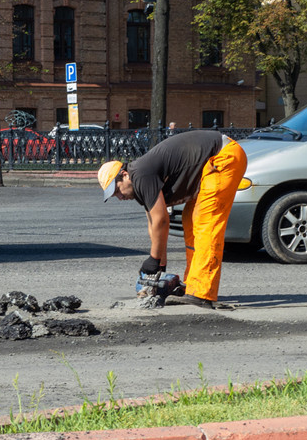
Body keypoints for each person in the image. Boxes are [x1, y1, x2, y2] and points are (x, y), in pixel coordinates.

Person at [98, 129, 247, 309]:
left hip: (223, 157)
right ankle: (194, 286)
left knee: (205, 222)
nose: (120, 197)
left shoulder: (141, 174)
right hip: (214, 159)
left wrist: (153, 259)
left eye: (117, 190)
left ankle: (202, 293)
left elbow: (161, 220)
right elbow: (154, 225)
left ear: (124, 174)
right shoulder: (138, 184)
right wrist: (160, 265)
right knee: (190, 221)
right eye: (114, 195)